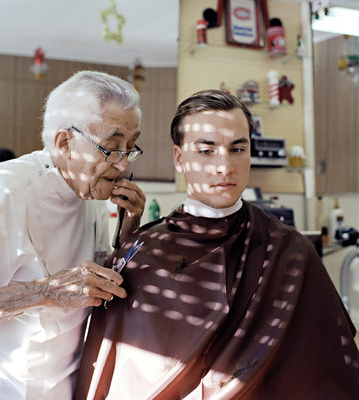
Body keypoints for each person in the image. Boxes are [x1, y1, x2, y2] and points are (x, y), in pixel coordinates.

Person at [75, 90, 359, 399]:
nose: (225, 166)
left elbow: (332, 367)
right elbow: (116, 376)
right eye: (207, 151)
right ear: (179, 158)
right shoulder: (142, 255)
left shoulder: (291, 252)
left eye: (237, 148)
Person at [0, 70, 146, 399]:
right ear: (65, 143)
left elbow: (99, 277)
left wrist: (130, 225)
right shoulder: (1, 190)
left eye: (130, 148)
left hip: (68, 384)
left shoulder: (92, 194)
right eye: (111, 148)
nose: (123, 165)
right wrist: (45, 291)